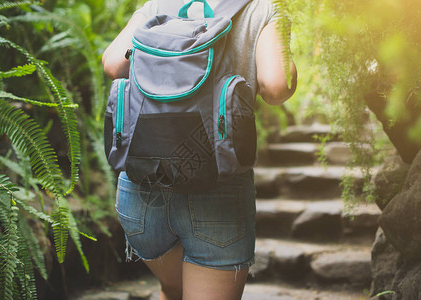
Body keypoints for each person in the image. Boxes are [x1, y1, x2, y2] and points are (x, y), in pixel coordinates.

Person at [102, 0, 297, 299]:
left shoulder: (157, 4)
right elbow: (276, 86)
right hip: (218, 189)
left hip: (143, 189)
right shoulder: (262, 8)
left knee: (172, 288)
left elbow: (113, 63)